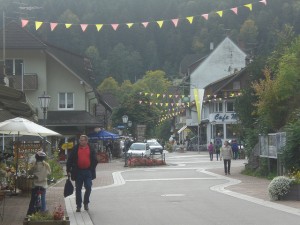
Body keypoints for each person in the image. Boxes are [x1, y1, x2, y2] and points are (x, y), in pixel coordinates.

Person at [66, 135, 98, 212]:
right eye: (80, 140)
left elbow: (95, 159)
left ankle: (86, 202)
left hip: (88, 171)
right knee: (78, 189)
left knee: (88, 187)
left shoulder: (90, 148)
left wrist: (91, 168)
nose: (82, 142)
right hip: (78, 171)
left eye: (83, 140)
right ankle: (78, 206)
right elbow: (70, 159)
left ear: (86, 141)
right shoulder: (75, 148)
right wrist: (68, 170)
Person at [27, 150, 51, 215]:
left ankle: (30, 212)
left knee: (33, 199)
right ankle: (43, 210)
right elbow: (49, 173)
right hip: (43, 185)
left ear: (36, 158)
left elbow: (30, 172)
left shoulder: (34, 165)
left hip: (36, 185)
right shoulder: (46, 165)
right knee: (43, 197)